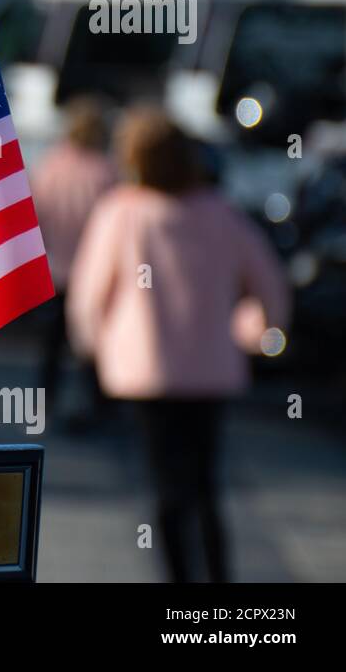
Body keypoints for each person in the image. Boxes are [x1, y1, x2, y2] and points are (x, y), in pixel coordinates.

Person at [66, 107, 289, 583]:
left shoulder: (121, 212)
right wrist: (259, 333)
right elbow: (268, 284)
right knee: (205, 484)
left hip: (147, 371)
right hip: (211, 369)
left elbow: (89, 294)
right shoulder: (221, 213)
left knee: (165, 487)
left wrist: (93, 346)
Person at [29, 96, 117, 422]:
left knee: (50, 346)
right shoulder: (108, 173)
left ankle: (44, 402)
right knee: (92, 345)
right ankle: (97, 406)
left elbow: (34, 216)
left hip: (53, 269)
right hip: (93, 275)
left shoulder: (48, 167)